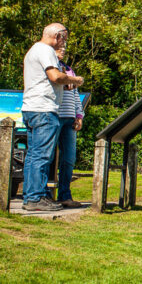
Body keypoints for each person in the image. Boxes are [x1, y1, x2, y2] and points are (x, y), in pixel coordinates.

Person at [21, 23, 84, 211]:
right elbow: (55, 76)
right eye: (64, 39)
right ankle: (35, 198)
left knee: (34, 156)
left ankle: (33, 195)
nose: (63, 43)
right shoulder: (46, 50)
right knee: (42, 156)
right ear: (58, 36)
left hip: (32, 108)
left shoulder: (35, 50)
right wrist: (75, 79)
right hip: (44, 110)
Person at [51, 45, 84, 208]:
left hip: (69, 119)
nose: (63, 50)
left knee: (69, 159)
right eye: (60, 48)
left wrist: (79, 115)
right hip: (54, 115)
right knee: (48, 157)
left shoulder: (69, 70)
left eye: (65, 48)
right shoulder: (51, 67)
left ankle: (65, 195)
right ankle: (43, 194)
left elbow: (76, 95)